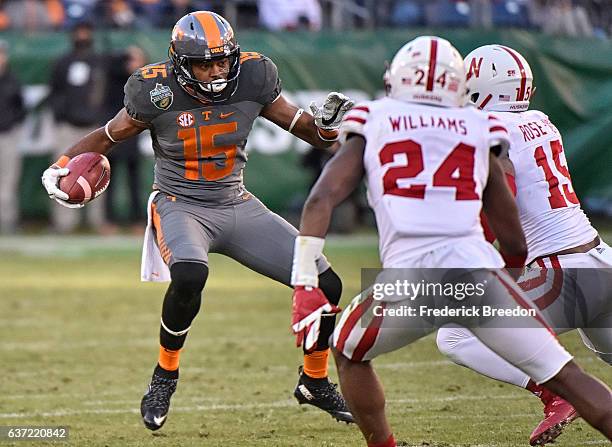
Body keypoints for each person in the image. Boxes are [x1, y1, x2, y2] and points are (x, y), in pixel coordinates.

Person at [289, 35, 612, 447]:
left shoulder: (479, 127)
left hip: (534, 271)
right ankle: (556, 390)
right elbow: (446, 141)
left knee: (441, 338)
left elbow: (340, 184)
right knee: (574, 377)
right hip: (596, 257)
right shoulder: (533, 122)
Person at [41, 10, 355, 431]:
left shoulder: (255, 76)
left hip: (236, 202)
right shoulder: (154, 91)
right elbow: (107, 137)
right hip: (180, 203)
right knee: (189, 275)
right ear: (180, 64)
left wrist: (329, 129)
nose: (216, 70)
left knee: (326, 284)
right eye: (204, 63)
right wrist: (62, 164)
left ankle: (314, 380)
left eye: (222, 60)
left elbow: (307, 131)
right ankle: (164, 375)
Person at [436, 44, 612, 446]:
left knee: (454, 332)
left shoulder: (488, 129)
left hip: (563, 273)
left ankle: (554, 393)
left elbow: (506, 197)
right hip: (600, 258)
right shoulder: (542, 121)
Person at [47, 20, 107, 233]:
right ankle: (63, 223)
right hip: (67, 126)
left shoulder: (98, 61)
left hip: (93, 127)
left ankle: (96, 221)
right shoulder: (63, 62)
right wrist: (61, 113)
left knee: (97, 172)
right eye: (79, 31)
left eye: (85, 31)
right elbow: (53, 91)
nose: (82, 35)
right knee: (62, 173)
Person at [102, 45, 148, 233]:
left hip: (132, 134)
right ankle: (109, 221)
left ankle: (137, 220)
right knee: (109, 181)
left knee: (134, 180)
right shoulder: (115, 77)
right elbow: (109, 63)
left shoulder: (142, 81)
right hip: (114, 133)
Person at [0, 40, 25, 234]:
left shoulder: (12, 79)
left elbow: (20, 108)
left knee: (8, 182)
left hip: (7, 135)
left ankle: (7, 223)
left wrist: (11, 122)